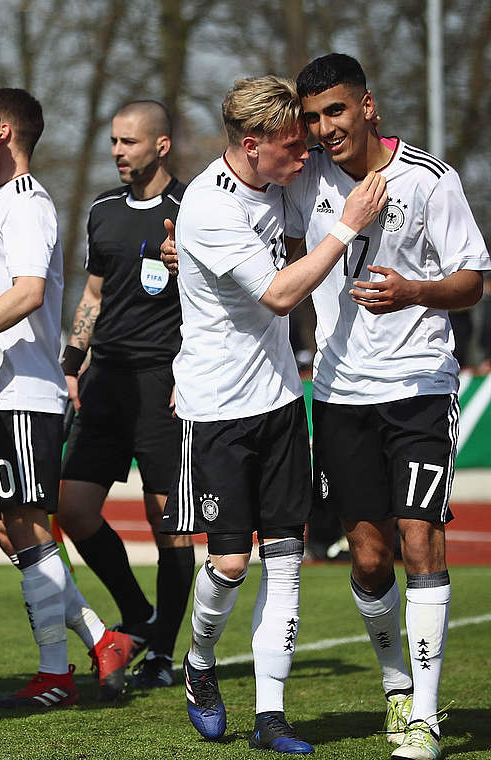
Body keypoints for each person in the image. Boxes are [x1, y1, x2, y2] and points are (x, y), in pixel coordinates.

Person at [160, 74, 387, 755]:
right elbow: (280, 296)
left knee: (285, 560)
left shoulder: (279, 173)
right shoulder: (207, 207)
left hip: (283, 402)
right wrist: (348, 228)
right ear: (253, 147)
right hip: (217, 409)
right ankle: (198, 662)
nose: (306, 153)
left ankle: (272, 717)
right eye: (293, 145)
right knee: (229, 565)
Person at [289, 53, 488, 760]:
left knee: (419, 539)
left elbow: (472, 281)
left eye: (336, 111)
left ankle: (426, 720)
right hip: (340, 394)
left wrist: (414, 291)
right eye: (313, 118)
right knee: (369, 559)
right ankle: (397, 685)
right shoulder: (304, 180)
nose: (325, 128)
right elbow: (279, 258)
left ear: (367, 106)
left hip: (419, 388)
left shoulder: (430, 179)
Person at [0, 87, 136, 709]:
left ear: (2, 132)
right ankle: (101, 637)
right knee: (14, 535)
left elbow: (30, 292)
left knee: (30, 530)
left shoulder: (26, 203)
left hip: (25, 391)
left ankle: (54, 674)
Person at [56, 100, 195, 690]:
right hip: (105, 380)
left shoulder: (193, 210)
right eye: (114, 141)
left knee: (170, 525)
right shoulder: (104, 212)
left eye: (129, 142)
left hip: (165, 383)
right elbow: (94, 291)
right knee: (73, 509)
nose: (117, 152)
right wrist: (72, 362)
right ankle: (138, 616)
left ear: (160, 146)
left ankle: (163, 652)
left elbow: (223, 301)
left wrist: (187, 263)